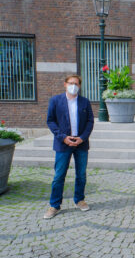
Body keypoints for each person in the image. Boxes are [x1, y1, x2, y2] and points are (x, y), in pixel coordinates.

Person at [44, 75, 94, 219]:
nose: (73, 86)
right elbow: (51, 121)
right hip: (63, 143)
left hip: (81, 143)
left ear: (80, 86)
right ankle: (54, 205)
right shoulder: (55, 100)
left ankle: (79, 200)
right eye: (71, 83)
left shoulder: (85, 102)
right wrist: (63, 137)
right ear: (65, 84)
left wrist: (82, 138)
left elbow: (90, 121)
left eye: (76, 84)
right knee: (59, 175)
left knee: (81, 174)